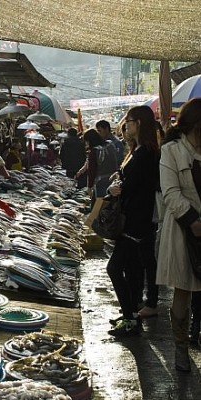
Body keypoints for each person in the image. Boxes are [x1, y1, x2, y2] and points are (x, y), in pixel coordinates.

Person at [106, 106, 160, 338]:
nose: (125, 125)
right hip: (135, 219)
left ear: (138, 122)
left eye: (128, 121)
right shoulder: (138, 150)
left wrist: (116, 188)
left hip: (136, 220)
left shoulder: (146, 152)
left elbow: (134, 186)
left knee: (114, 268)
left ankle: (130, 319)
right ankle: (131, 314)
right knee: (131, 268)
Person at [156, 98, 201, 372]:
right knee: (183, 291)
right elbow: (171, 192)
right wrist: (194, 221)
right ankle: (181, 350)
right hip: (184, 231)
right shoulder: (171, 150)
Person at [77, 129, 118, 202]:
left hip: (101, 182)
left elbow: (91, 171)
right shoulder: (110, 144)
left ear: (90, 140)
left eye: (86, 141)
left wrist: (89, 187)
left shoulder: (94, 151)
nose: (86, 143)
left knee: (100, 205)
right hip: (114, 179)